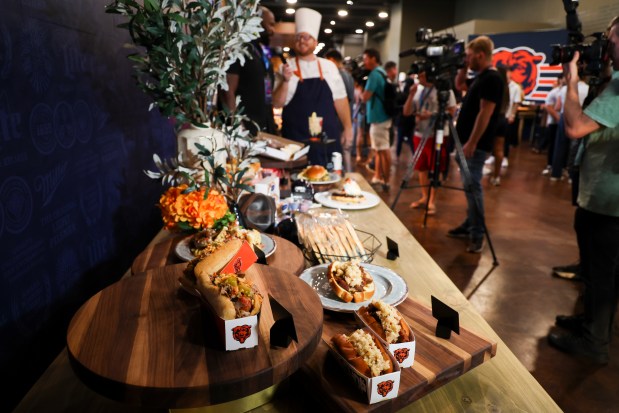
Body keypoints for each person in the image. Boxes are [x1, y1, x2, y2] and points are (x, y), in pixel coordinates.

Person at [547, 16, 619, 365]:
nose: (607, 46)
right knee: (592, 269)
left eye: (612, 40)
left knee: (603, 274)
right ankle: (590, 321)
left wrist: (572, 80)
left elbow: (576, 125)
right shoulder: (613, 81)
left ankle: (595, 342)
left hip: (610, 203)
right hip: (598, 196)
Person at [272, 8, 352, 167]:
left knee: (329, 182)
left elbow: (341, 100)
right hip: (295, 143)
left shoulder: (329, 67)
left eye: (307, 37)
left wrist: (348, 128)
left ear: (315, 42)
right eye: (299, 37)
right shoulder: (286, 68)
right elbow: (277, 104)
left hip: (326, 141)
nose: (302, 40)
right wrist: (286, 81)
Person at [448, 35, 504, 253]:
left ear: (481, 55)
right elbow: (459, 84)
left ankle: (477, 233)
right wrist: (462, 67)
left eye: (469, 56)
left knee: (473, 188)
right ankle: (470, 223)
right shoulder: (481, 77)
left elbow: (485, 113)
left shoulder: (492, 78)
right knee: (468, 188)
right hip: (467, 143)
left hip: (476, 145)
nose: (467, 60)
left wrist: (472, 142)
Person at [402, 69, 456, 214]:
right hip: (419, 133)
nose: (419, 77)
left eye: (422, 74)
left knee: (435, 167)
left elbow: (452, 111)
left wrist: (432, 115)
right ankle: (424, 197)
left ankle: (432, 201)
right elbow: (406, 112)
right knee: (421, 167)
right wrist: (411, 94)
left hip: (437, 134)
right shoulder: (418, 90)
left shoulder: (444, 90)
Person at [219, 6, 277, 135]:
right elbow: (227, 90)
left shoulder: (259, 51)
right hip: (246, 129)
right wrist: (237, 126)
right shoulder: (238, 48)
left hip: (264, 126)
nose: (273, 31)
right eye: (271, 24)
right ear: (258, 21)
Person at [362, 48, 392, 192]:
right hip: (382, 117)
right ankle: (379, 177)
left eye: (366, 58)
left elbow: (365, 97)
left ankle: (386, 180)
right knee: (379, 150)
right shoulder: (382, 72)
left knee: (384, 150)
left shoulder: (374, 74)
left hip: (379, 118)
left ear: (374, 58)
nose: (364, 62)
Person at [325, 49, 355, 172]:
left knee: (341, 154)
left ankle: (346, 180)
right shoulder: (348, 75)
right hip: (345, 119)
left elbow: (343, 100)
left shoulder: (340, 75)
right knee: (344, 153)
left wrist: (345, 126)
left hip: (340, 121)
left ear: (332, 60)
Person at [487, 66, 511, 186]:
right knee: (499, 149)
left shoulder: (495, 87)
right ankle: (496, 176)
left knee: (484, 147)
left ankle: (481, 169)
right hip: (502, 119)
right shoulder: (507, 88)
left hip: (492, 118)